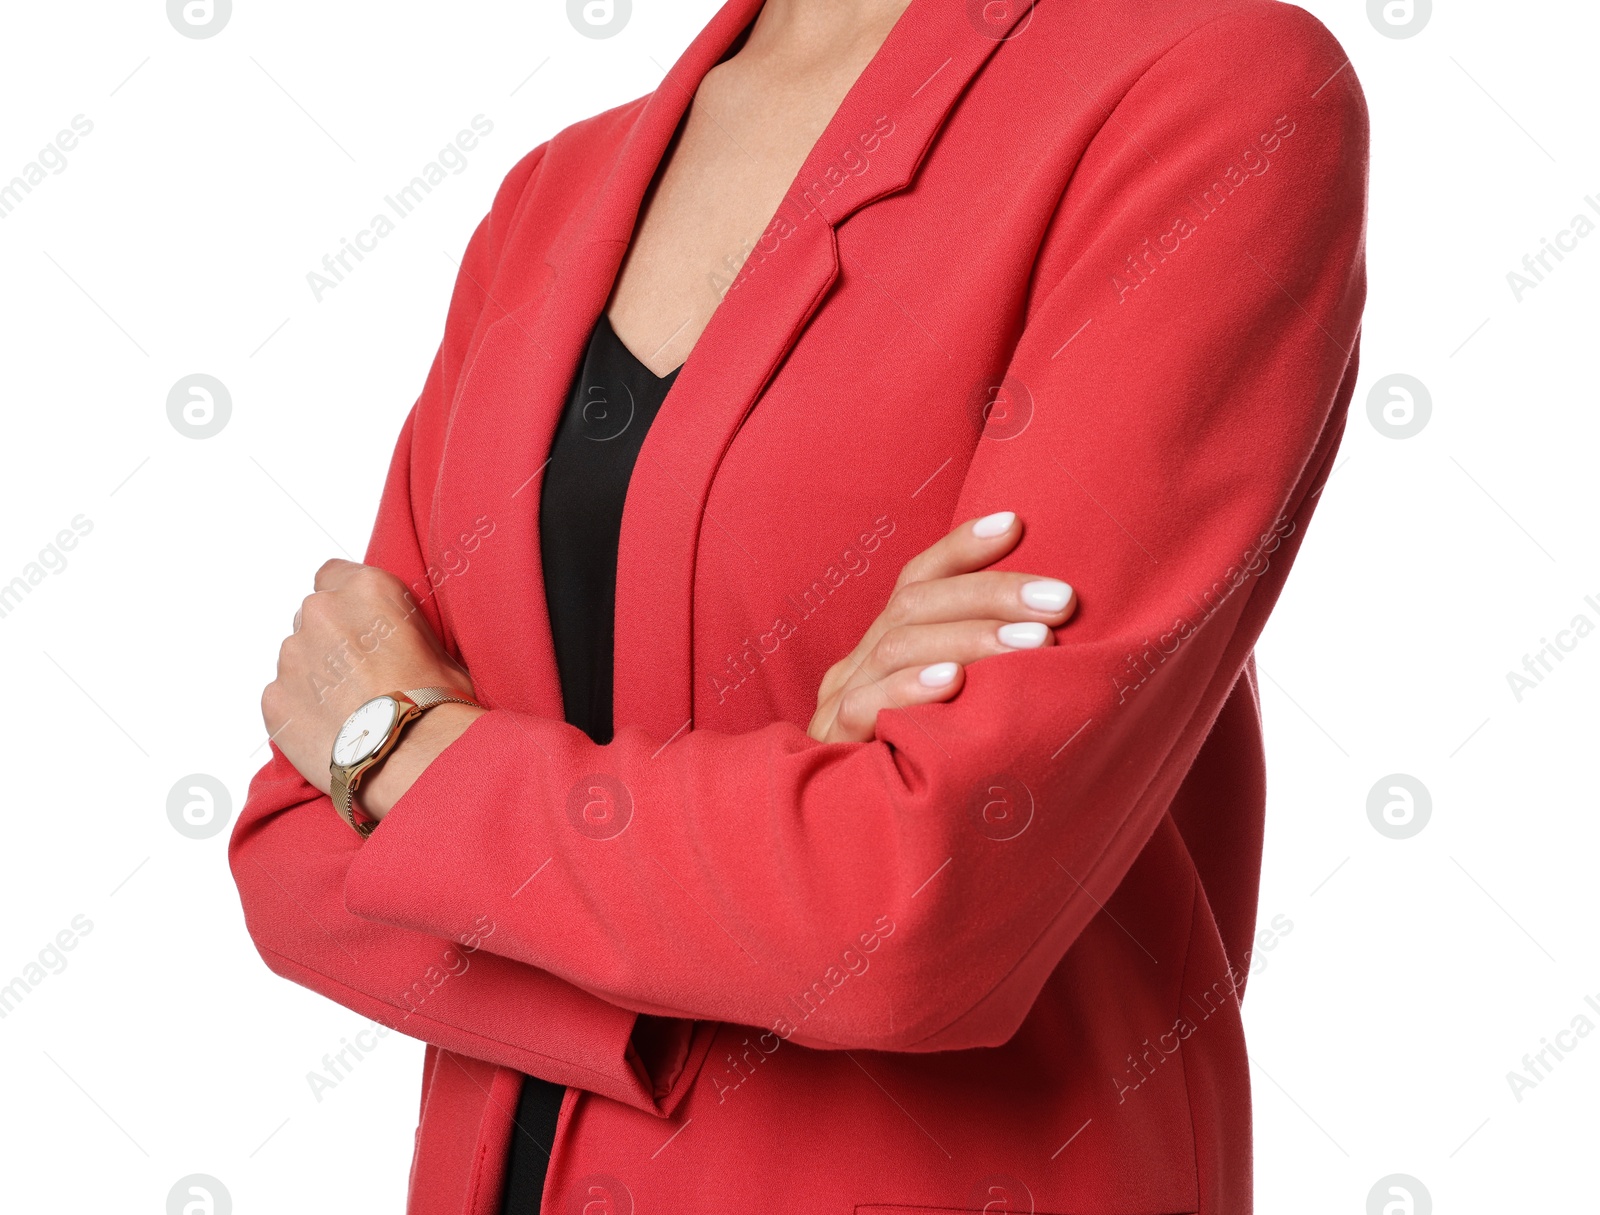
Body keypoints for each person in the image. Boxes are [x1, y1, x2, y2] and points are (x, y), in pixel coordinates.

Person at [230, 0, 1369, 1210]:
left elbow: (918, 905)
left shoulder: (1206, 91)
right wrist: (785, 855)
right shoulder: (545, 200)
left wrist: (408, 761)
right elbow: (296, 862)